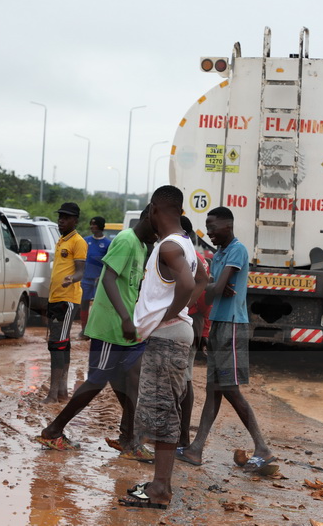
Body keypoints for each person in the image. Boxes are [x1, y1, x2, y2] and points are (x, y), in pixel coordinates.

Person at [36, 207, 157, 456]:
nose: (159, 236)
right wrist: (125, 317)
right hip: (111, 325)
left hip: (127, 327)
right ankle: (53, 430)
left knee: (129, 380)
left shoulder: (144, 247)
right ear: (149, 218)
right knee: (97, 380)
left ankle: (129, 438)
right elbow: (108, 279)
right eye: (158, 230)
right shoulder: (125, 240)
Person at [118, 185, 201, 510]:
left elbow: (189, 284)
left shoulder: (168, 246)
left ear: (154, 209)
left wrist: (164, 318)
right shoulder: (186, 244)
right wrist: (178, 313)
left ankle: (160, 491)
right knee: (163, 410)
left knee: (164, 413)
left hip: (167, 338)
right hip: (173, 336)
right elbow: (203, 279)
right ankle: (159, 484)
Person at [175, 206, 275, 471]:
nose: (209, 233)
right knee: (213, 390)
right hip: (218, 324)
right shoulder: (219, 254)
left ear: (227, 227)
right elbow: (213, 289)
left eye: (213, 228)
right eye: (207, 228)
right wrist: (212, 288)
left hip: (233, 325)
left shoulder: (237, 251)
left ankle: (262, 448)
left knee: (228, 388)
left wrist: (211, 288)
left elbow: (214, 289)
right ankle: (196, 448)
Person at [44, 202, 87, 404]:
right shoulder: (62, 240)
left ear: (75, 221)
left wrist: (72, 278)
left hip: (67, 300)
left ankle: (53, 394)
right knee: (62, 343)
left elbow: (80, 270)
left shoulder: (78, 242)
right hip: (56, 298)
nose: (61, 220)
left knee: (58, 345)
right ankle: (61, 391)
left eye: (66, 217)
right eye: (60, 216)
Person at [178, 215, 211, 448]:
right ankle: (180, 435)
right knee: (182, 378)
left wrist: (205, 332)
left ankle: (181, 436)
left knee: (183, 379)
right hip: (190, 320)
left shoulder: (191, 259)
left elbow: (205, 297)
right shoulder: (196, 258)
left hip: (187, 320)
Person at [80, 216, 112, 338]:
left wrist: (102, 276)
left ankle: (96, 330)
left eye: (94, 224)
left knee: (98, 305)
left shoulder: (108, 244)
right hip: (86, 278)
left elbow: (109, 262)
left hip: (99, 279)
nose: (91, 227)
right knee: (84, 302)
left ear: (100, 226)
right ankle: (84, 330)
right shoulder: (85, 240)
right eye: (91, 224)